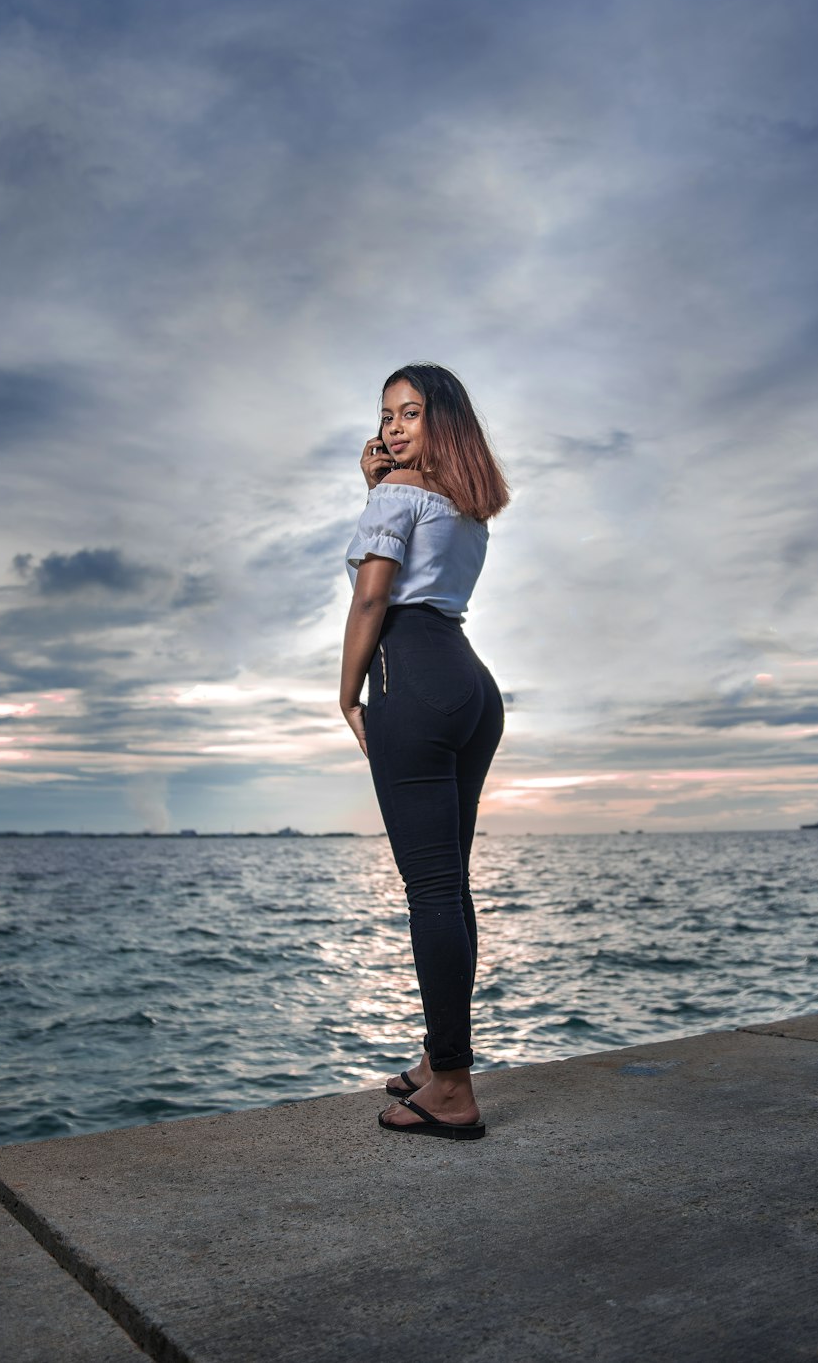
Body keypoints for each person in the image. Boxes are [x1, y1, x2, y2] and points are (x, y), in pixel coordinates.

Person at [340, 361, 510, 1140]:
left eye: (411, 413)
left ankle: (451, 1087)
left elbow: (374, 593)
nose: (394, 428)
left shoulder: (397, 495)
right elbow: (417, 565)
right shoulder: (463, 505)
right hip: (471, 684)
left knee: (431, 890)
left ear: (443, 421)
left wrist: (346, 691)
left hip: (412, 675)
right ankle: (440, 1054)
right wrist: (371, 485)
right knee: (452, 886)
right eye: (387, 416)